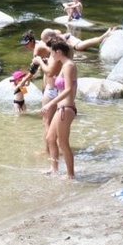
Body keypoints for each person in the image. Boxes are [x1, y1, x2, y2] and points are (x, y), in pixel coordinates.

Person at [39, 40, 78, 179]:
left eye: (52, 53)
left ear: (58, 52)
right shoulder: (64, 65)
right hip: (61, 108)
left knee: (63, 143)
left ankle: (70, 175)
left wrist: (50, 104)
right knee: (50, 138)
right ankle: (53, 168)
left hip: (66, 108)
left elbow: (68, 89)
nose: (51, 56)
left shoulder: (69, 66)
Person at [43, 27, 117, 52]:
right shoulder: (57, 39)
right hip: (77, 46)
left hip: (78, 43)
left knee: (94, 40)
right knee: (94, 40)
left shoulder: (56, 36)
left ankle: (108, 33)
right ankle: (107, 33)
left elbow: (57, 31)